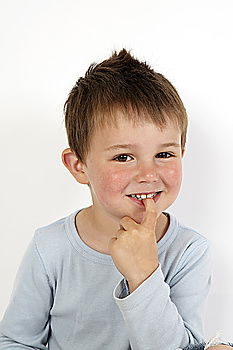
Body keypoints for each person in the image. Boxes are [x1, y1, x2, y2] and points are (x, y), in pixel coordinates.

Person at [0, 48, 228, 350]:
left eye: (164, 154)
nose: (149, 173)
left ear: (182, 155)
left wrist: (143, 273)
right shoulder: (49, 247)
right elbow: (15, 341)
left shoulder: (189, 251)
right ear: (78, 166)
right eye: (123, 157)